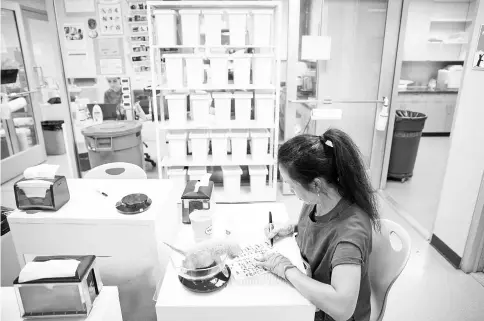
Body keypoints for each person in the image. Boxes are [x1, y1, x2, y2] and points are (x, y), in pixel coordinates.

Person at [255, 128, 380, 321]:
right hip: (310, 299)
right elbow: (323, 226)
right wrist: (293, 226)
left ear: (316, 184)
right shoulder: (320, 200)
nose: (290, 190)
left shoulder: (350, 235)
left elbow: (342, 308)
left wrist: (286, 269)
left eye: (291, 185)